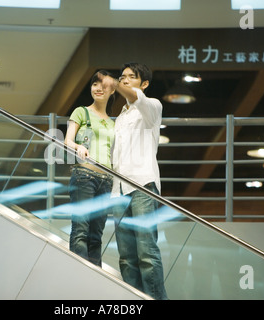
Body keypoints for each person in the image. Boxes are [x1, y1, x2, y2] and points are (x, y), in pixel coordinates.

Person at [99, 62, 168, 299]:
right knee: (127, 257)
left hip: (143, 187)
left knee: (147, 253)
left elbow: (136, 98)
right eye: (122, 76)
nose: (125, 80)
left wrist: (116, 84)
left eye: (131, 77)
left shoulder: (151, 106)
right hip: (118, 190)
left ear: (144, 83)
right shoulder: (120, 117)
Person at [64, 70, 116, 267]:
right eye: (95, 84)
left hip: (107, 180)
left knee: (96, 236)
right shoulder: (81, 112)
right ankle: (78, 280)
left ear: (112, 91)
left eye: (104, 85)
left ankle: (95, 284)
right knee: (80, 230)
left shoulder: (113, 123)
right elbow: (68, 141)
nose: (98, 88)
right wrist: (79, 147)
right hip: (84, 176)